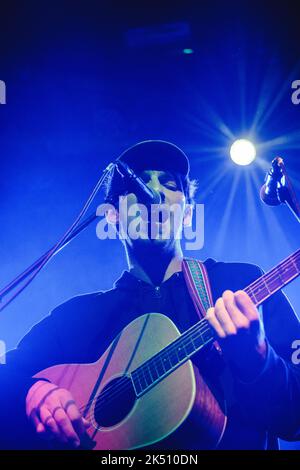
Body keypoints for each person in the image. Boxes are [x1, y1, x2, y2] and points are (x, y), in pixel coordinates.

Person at [1, 140, 300, 450]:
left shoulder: (240, 283)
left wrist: (258, 358)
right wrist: (34, 392)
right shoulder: (77, 318)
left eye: (169, 184)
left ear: (187, 214)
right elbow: (6, 377)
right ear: (113, 216)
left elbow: (295, 420)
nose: (154, 194)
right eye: (139, 184)